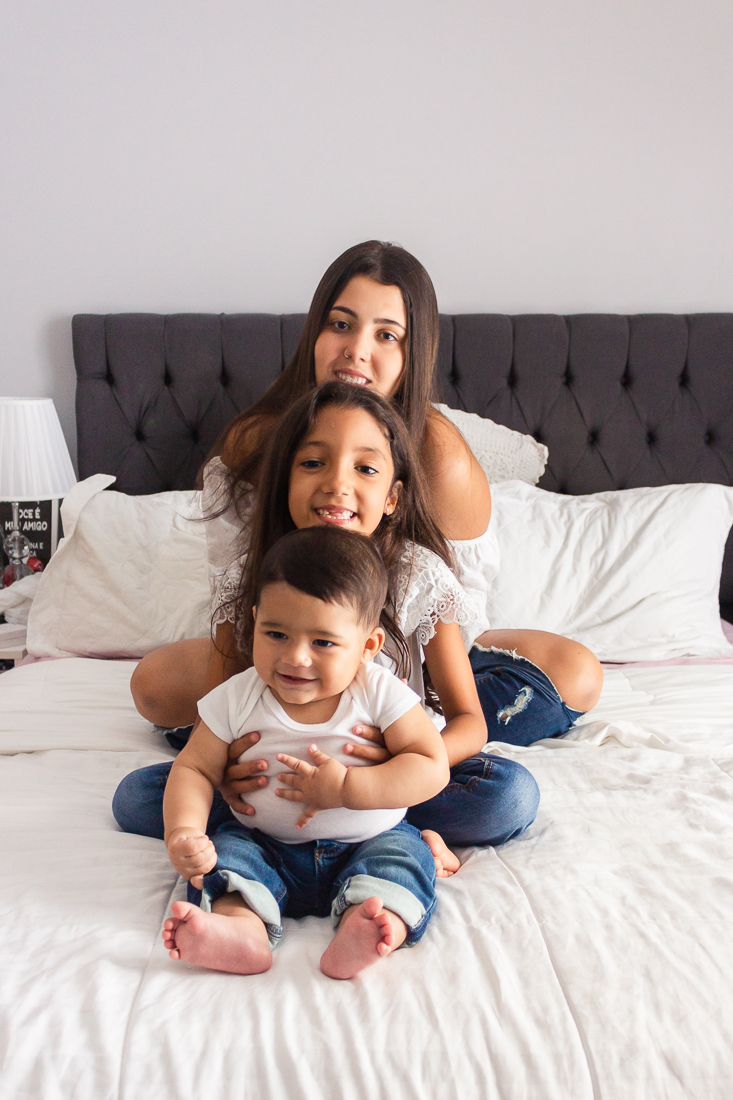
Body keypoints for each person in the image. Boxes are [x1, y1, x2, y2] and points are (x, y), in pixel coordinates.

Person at [115, 382, 538, 876]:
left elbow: (470, 722)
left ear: (393, 497)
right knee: (138, 798)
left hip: (390, 781)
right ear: (285, 479)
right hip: (276, 778)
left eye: (365, 468)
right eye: (313, 463)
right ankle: (285, 832)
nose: (338, 484)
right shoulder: (249, 577)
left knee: (508, 796)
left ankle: (391, 828)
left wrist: (389, 776)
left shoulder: (419, 578)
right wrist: (222, 774)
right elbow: (217, 713)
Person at [162, 525, 448, 979]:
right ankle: (241, 932)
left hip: (367, 841)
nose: (295, 657)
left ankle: (368, 926)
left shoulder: (378, 692)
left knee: (402, 860)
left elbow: (432, 766)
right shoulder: (238, 696)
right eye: (275, 634)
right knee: (231, 859)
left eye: (323, 642)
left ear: (367, 647)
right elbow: (194, 767)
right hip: (265, 843)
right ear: (254, 620)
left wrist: (350, 787)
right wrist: (184, 831)